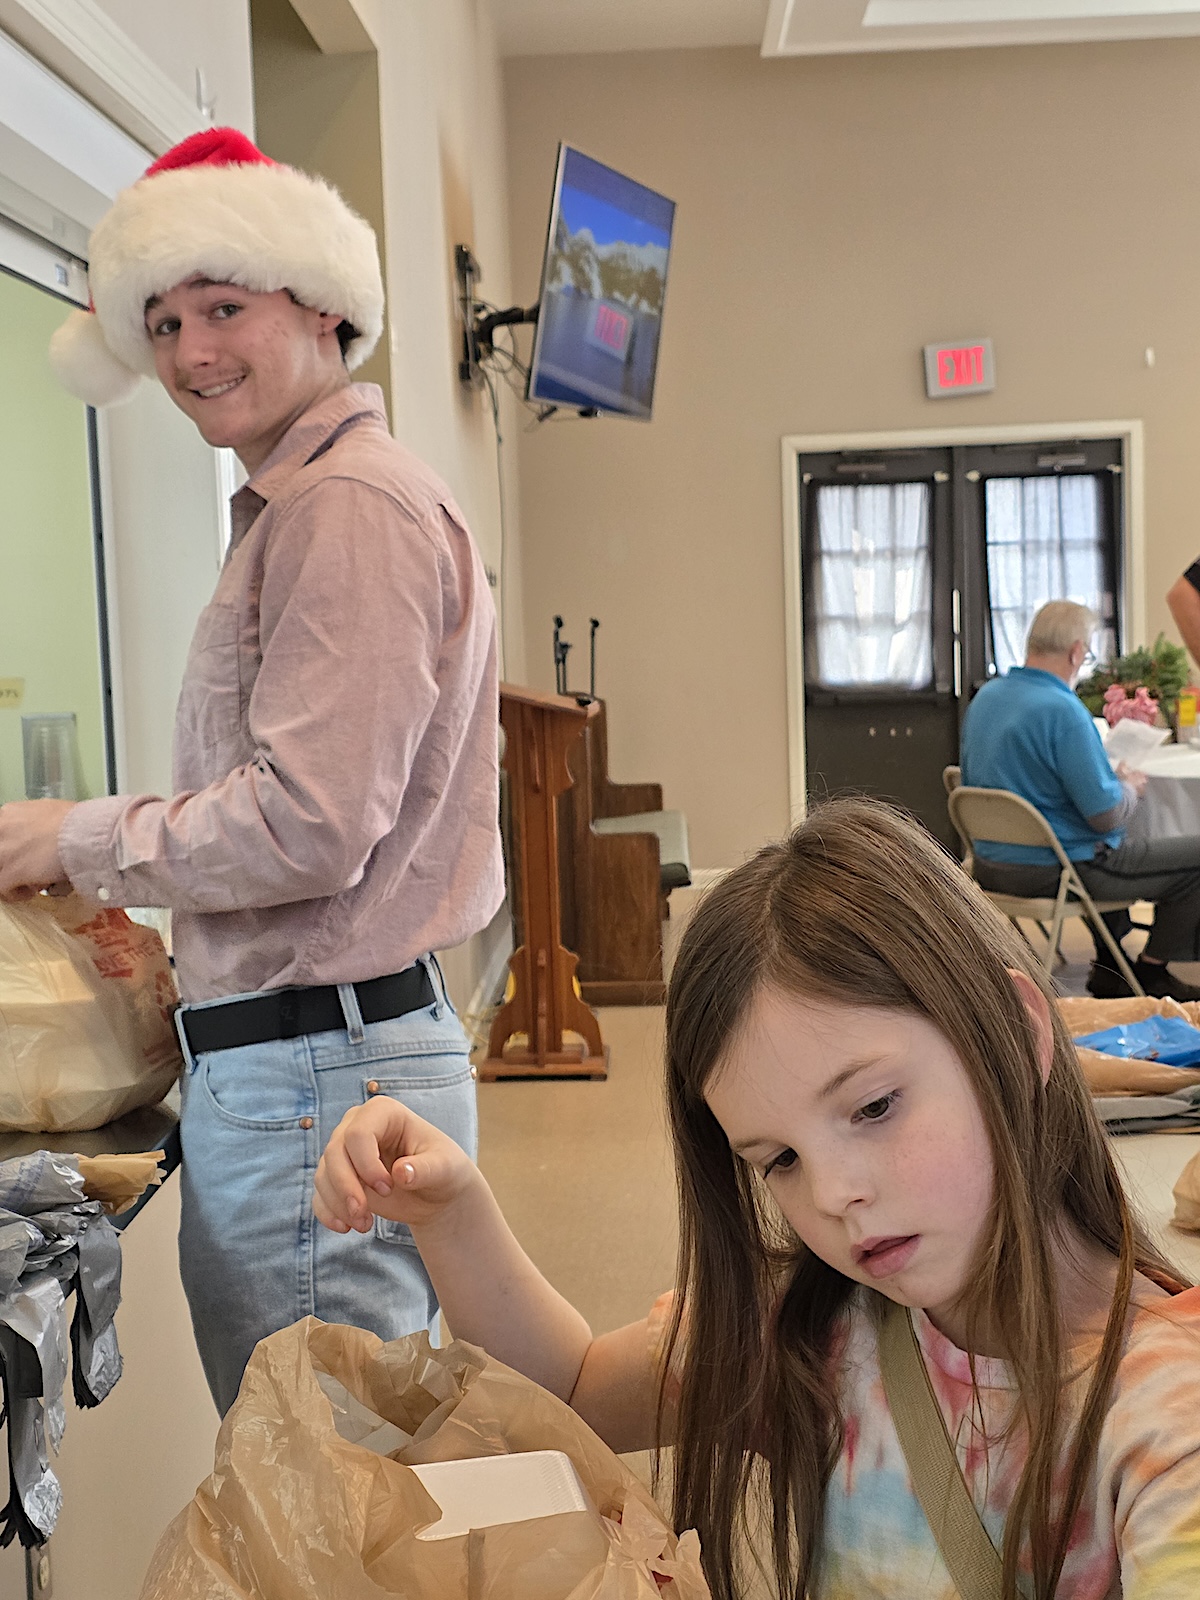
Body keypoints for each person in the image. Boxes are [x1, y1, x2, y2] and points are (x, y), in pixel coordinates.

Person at [314, 798, 1200, 1600]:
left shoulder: (1170, 1412)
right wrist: (451, 1212)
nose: (836, 1194)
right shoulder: (814, 1332)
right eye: (778, 1160)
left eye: (874, 1107)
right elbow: (568, 1390)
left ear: (1016, 1031)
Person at [0, 128, 503, 1414]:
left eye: (223, 308)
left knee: (323, 1471)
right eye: (164, 323)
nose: (190, 353)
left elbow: (311, 825)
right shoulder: (309, 505)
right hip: (315, 1056)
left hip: (316, 1072)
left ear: (324, 306)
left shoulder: (343, 508)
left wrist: (74, 836)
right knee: (340, 1463)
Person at [960, 599, 1200, 1000]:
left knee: (1111, 841)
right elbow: (1105, 816)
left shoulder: (987, 698)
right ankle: (1150, 972)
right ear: (1076, 652)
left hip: (990, 865)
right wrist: (1130, 787)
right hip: (1059, 869)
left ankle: (1111, 965)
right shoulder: (1063, 711)